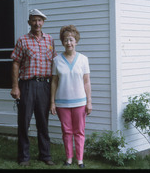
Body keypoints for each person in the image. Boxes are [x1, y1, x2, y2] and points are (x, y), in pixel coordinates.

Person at [10, 9, 57, 166]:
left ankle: (45, 155)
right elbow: (16, 62)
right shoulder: (23, 40)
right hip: (27, 85)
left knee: (43, 122)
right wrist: (15, 86)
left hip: (45, 85)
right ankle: (24, 157)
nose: (37, 23)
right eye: (34, 20)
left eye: (40, 20)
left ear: (43, 22)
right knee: (24, 121)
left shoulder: (50, 40)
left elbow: (55, 63)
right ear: (29, 22)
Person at [50, 25, 92, 168]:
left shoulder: (83, 59)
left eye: (71, 40)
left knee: (79, 131)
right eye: (66, 40)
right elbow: (54, 82)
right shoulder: (56, 60)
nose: (69, 43)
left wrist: (89, 102)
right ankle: (68, 158)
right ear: (62, 42)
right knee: (67, 132)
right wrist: (52, 102)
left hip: (80, 102)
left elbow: (86, 82)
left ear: (76, 41)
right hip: (62, 103)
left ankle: (80, 160)